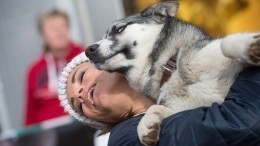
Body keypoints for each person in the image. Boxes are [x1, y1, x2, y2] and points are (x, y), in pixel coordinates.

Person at [58, 53, 260, 146]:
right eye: (78, 106)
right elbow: (241, 122)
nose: (79, 94)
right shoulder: (131, 138)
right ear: (102, 121)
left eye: (81, 76)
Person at [24, 8, 83, 146]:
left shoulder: (83, 58)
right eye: (52, 28)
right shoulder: (34, 70)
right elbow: (30, 113)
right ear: (43, 37)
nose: (59, 32)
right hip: (49, 139)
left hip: (83, 132)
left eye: (62, 26)